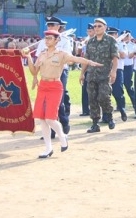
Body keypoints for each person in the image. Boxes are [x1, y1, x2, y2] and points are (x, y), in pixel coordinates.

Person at [27, 29, 102, 157]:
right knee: (42, 118)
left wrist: (89, 62)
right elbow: (34, 71)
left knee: (50, 118)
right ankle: (48, 148)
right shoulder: (42, 54)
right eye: (46, 38)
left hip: (55, 86)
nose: (47, 40)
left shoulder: (61, 54)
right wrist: (28, 57)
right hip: (43, 86)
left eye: (50, 38)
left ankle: (62, 136)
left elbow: (76, 59)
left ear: (57, 40)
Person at [36, 16, 74, 137]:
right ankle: (50, 131)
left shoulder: (65, 41)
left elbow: (68, 59)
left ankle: (64, 122)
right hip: (45, 74)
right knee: (46, 102)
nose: (50, 27)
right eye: (48, 25)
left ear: (58, 27)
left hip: (60, 73)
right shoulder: (43, 41)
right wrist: (35, 75)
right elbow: (38, 59)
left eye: (52, 25)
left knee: (59, 101)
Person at [80, 19, 120, 133]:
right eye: (95, 26)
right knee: (92, 99)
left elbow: (115, 57)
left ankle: (109, 117)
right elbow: (86, 59)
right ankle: (95, 124)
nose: (97, 28)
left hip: (104, 74)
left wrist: (114, 71)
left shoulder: (110, 40)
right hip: (91, 75)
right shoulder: (90, 41)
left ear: (105, 27)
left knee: (103, 97)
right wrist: (82, 73)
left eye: (99, 26)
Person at [107, 26, 127, 121]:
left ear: (116, 35)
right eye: (109, 34)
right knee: (105, 94)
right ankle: (106, 116)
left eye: (112, 34)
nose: (110, 36)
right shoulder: (105, 43)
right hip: (106, 70)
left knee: (117, 91)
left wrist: (114, 47)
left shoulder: (121, 44)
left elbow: (123, 55)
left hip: (118, 70)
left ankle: (122, 109)